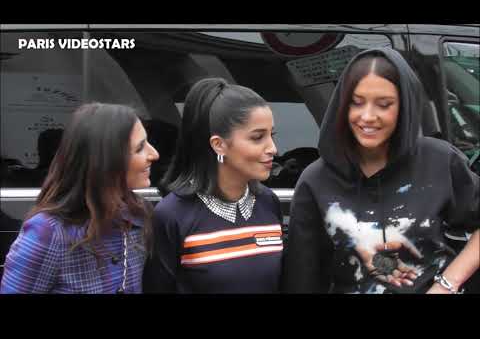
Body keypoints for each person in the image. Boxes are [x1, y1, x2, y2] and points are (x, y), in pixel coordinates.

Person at [282, 47, 479, 294]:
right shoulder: (316, 180)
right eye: (356, 103)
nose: (368, 116)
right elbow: (302, 279)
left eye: (384, 105)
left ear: (404, 107)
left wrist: (446, 284)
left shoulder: (439, 160)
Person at [142, 77, 283, 293]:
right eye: (257, 137)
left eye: (271, 135)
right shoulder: (172, 215)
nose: (273, 148)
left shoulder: (268, 202)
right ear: (219, 145)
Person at [0, 102, 159, 293]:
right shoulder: (48, 233)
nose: (154, 154)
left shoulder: (139, 216)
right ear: (106, 160)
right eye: (140, 147)